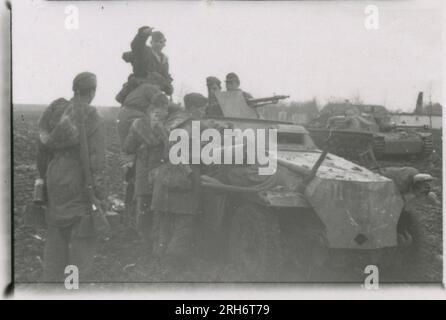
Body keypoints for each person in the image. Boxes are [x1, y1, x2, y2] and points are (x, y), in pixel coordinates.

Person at [37, 72, 106, 282]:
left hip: (54, 173)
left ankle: (50, 281)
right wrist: (101, 195)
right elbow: (97, 162)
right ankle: (73, 286)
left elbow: (41, 150)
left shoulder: (55, 111)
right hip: (79, 176)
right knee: (81, 236)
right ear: (92, 91)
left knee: (56, 227)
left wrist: (44, 179)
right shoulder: (91, 115)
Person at [121, 94, 170, 251]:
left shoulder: (138, 124)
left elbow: (128, 147)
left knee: (143, 204)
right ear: (165, 107)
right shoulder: (169, 123)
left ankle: (145, 241)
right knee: (160, 206)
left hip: (143, 170)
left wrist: (140, 145)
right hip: (161, 169)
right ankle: (158, 243)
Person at [116, 26, 173, 103]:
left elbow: (165, 75)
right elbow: (136, 45)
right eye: (157, 41)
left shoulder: (164, 60)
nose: (159, 44)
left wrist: (167, 84)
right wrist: (142, 35)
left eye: (162, 42)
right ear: (151, 42)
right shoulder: (143, 52)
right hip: (138, 91)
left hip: (154, 94)